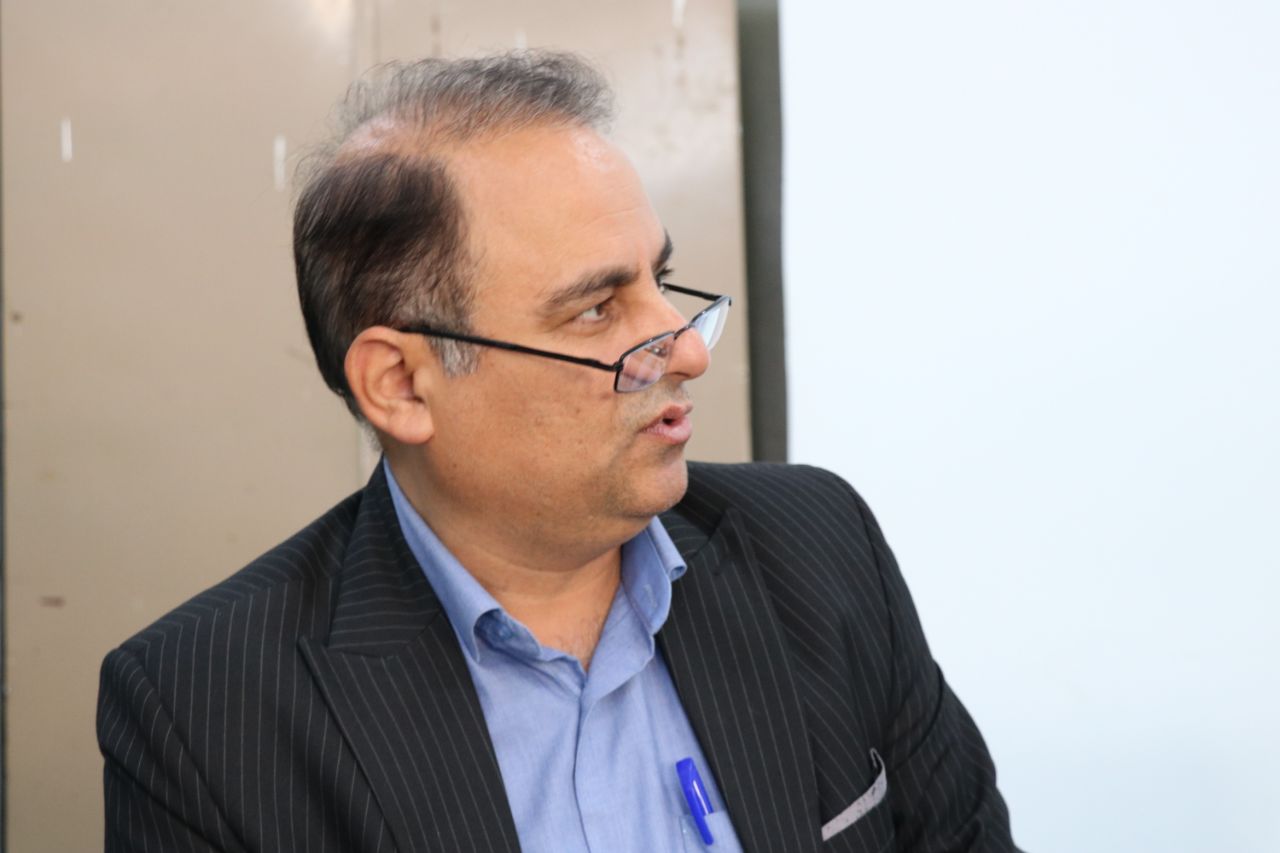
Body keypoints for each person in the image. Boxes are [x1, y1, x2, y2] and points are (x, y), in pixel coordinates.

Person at [97, 52, 1019, 853]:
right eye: (596, 309)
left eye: (659, 280)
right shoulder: (203, 708)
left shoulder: (818, 547)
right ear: (402, 384)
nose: (687, 350)